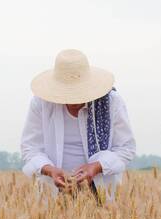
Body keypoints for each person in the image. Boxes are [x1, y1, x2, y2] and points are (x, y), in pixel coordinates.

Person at [21, 49, 136, 202]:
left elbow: (126, 148)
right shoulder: (41, 103)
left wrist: (96, 167)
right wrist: (50, 170)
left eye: (79, 94)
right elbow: (30, 148)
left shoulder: (112, 102)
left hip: (102, 192)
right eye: (67, 95)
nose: (74, 102)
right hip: (53, 194)